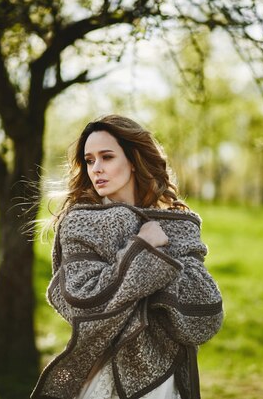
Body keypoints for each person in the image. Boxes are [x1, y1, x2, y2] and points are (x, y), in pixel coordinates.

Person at [31, 115, 223, 399]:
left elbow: (205, 314)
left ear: (133, 160)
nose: (97, 169)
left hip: (168, 381)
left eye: (106, 157)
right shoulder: (81, 223)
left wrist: (132, 285)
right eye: (89, 160)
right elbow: (83, 305)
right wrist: (143, 250)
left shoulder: (179, 226)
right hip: (103, 377)